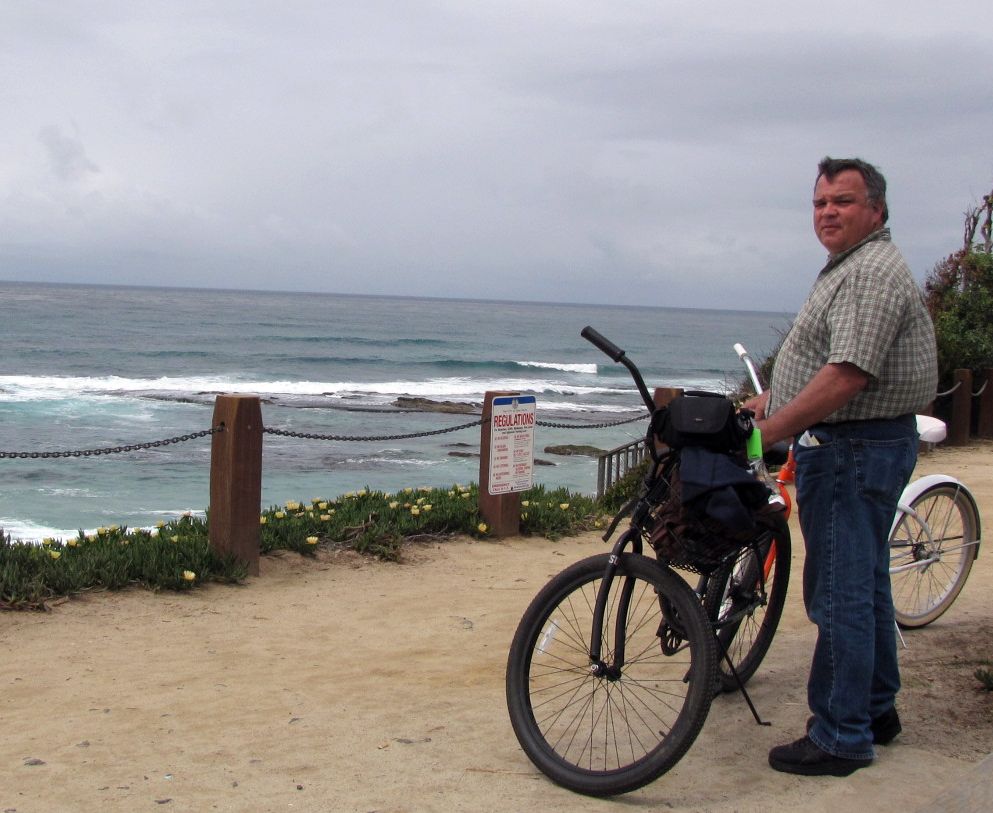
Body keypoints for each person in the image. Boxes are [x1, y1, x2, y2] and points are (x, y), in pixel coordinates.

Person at [746, 157, 938, 776]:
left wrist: (771, 431)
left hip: (851, 450)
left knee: (839, 595)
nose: (828, 212)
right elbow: (826, 358)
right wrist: (774, 397)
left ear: (875, 211)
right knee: (866, 584)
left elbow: (849, 374)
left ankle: (839, 734)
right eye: (820, 202)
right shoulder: (853, 266)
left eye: (843, 201)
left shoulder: (871, 272)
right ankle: (875, 709)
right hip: (859, 447)